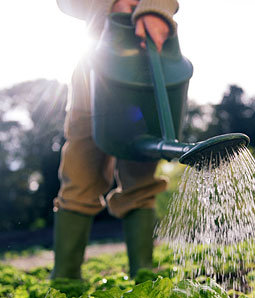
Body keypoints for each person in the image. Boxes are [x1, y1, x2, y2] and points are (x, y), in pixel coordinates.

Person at [52, 0, 179, 279]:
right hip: (92, 74)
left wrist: (154, 9)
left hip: (144, 69)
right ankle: (65, 278)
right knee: (80, 174)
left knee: (140, 177)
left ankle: (143, 275)